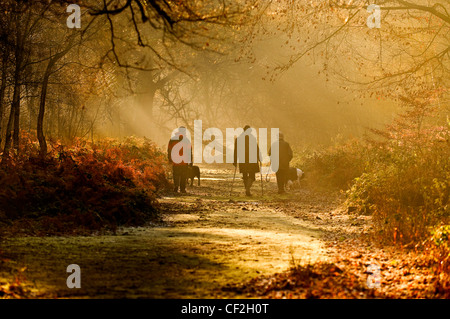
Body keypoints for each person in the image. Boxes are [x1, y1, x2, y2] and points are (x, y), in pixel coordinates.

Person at [233, 125, 261, 197]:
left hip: (243, 160)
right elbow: (257, 150)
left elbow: (236, 151)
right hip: (252, 160)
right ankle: (248, 188)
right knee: (252, 176)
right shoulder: (253, 138)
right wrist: (259, 158)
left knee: (245, 176)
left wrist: (235, 161)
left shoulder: (238, 139)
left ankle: (247, 189)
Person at [167, 127, 193, 193]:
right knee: (183, 175)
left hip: (175, 160)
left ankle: (176, 187)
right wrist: (190, 161)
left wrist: (170, 159)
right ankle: (182, 189)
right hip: (184, 161)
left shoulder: (172, 140)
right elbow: (189, 151)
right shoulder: (186, 140)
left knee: (176, 174)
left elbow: (169, 150)